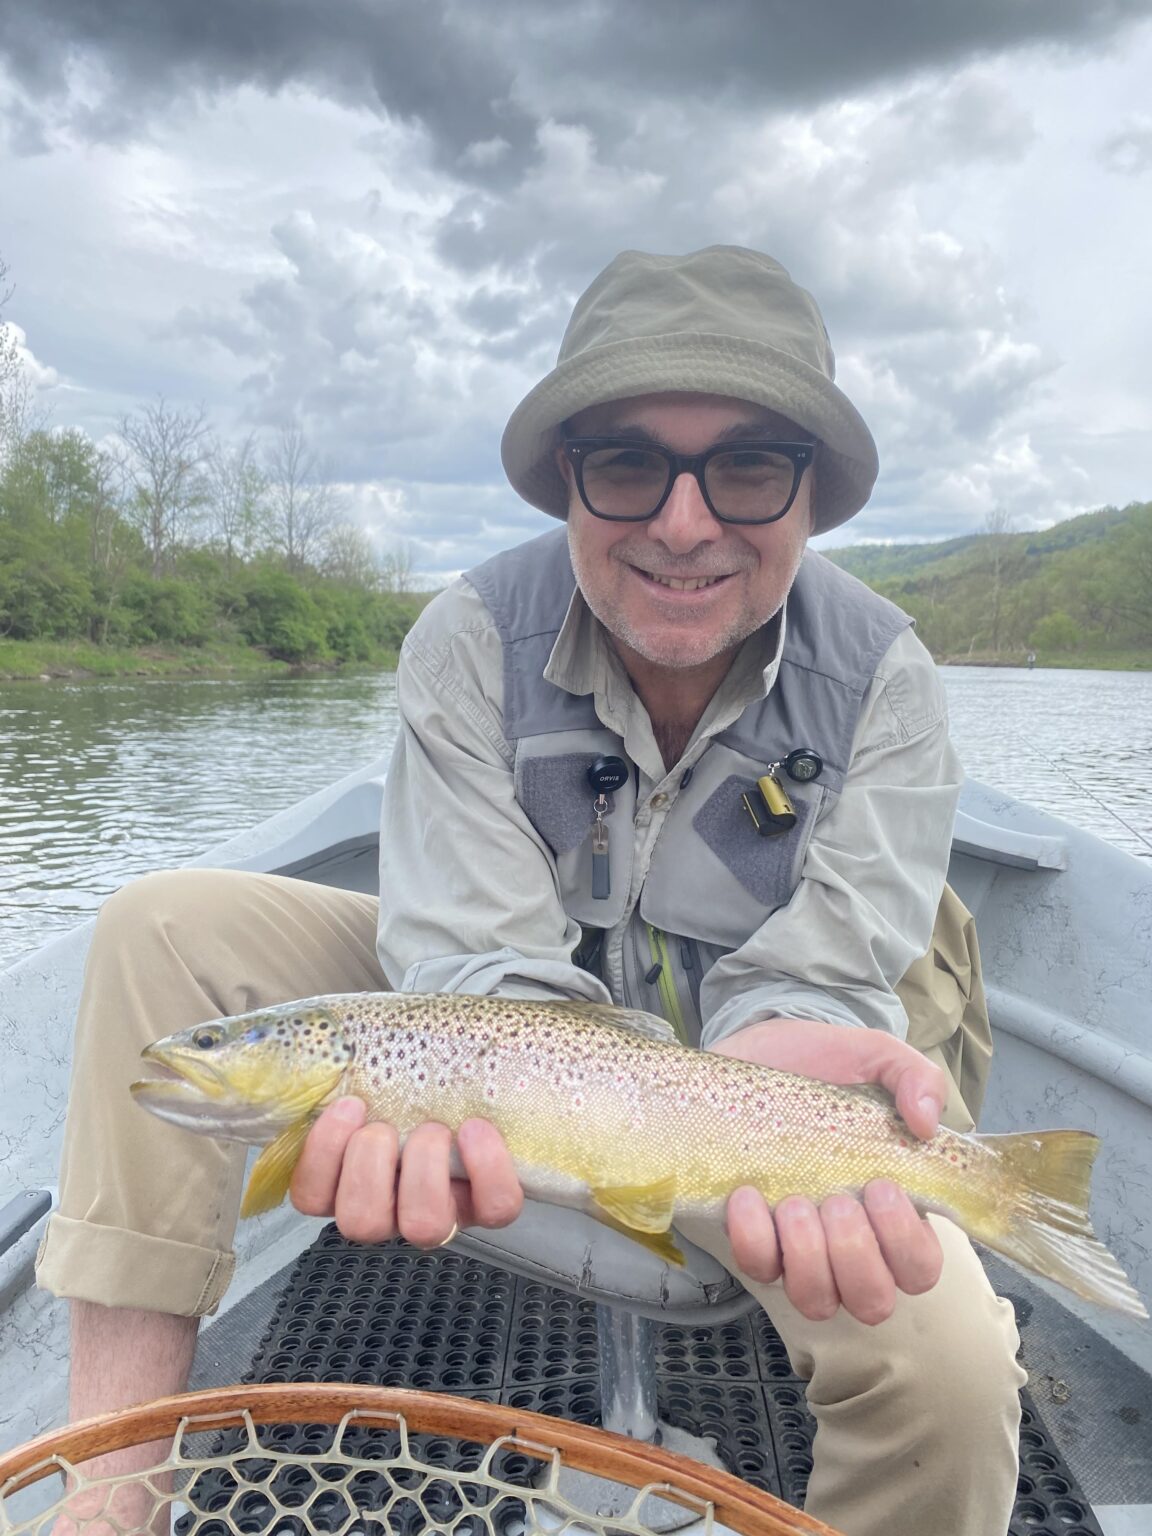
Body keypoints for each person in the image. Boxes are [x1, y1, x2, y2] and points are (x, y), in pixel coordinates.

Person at [38, 246, 1023, 1536]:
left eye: (746, 467)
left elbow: (823, 979)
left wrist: (751, 1075)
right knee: (160, 929)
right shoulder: (468, 636)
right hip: (515, 1040)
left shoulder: (888, 678)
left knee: (955, 1379)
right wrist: (485, 1077)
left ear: (810, 496)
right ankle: (110, 1498)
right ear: (568, 478)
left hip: (763, 1081)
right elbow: (473, 963)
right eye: (626, 464)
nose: (684, 523)